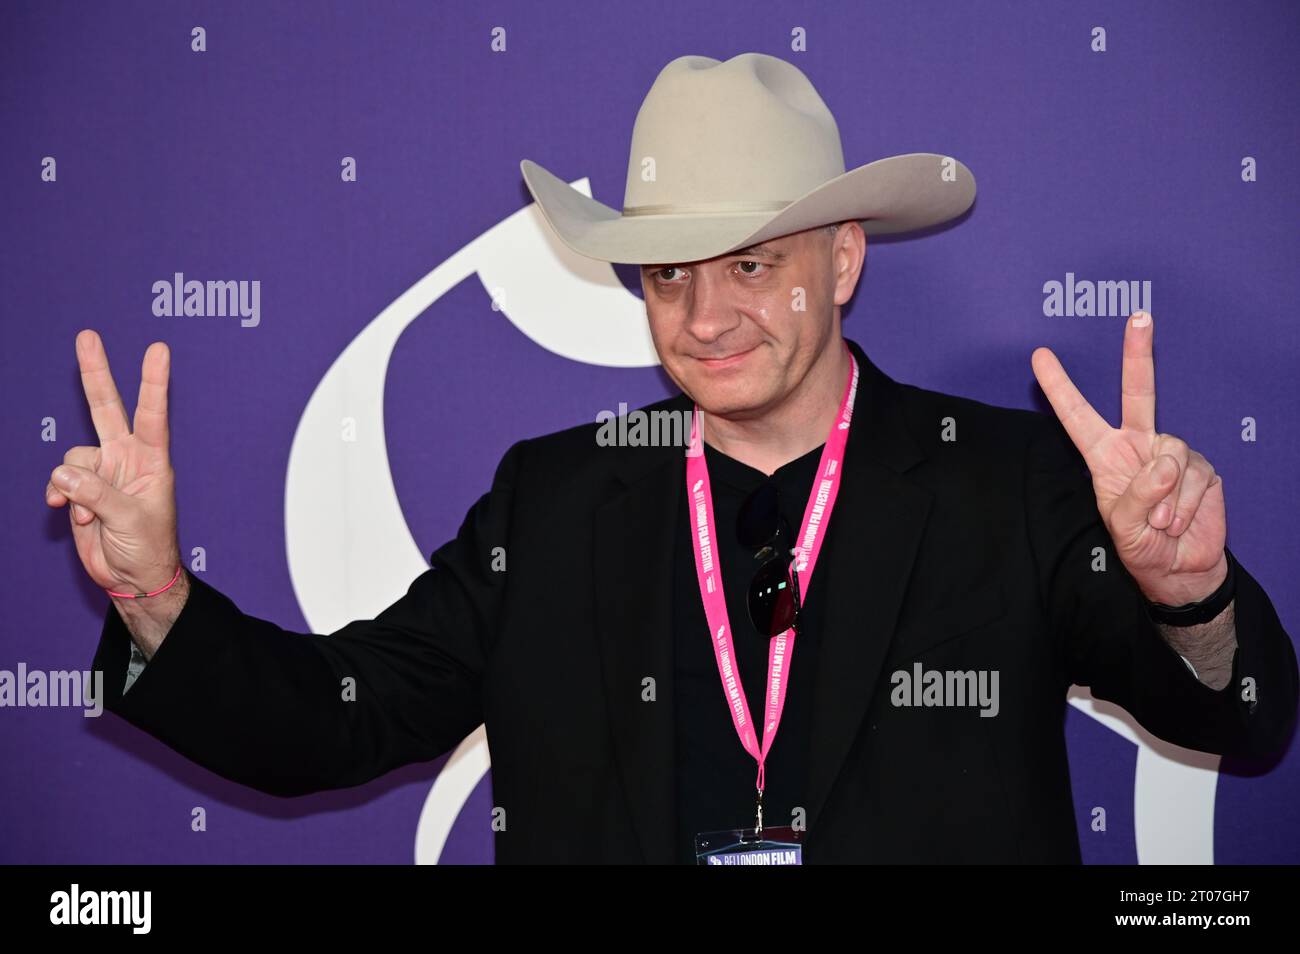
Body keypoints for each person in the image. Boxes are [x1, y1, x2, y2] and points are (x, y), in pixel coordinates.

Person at [48, 53, 1296, 864]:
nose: (702, 317)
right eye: (667, 274)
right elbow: (334, 724)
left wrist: (1188, 596)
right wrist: (157, 595)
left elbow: (1237, 721)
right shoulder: (550, 505)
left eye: (750, 264)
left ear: (844, 261)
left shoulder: (1006, 485)